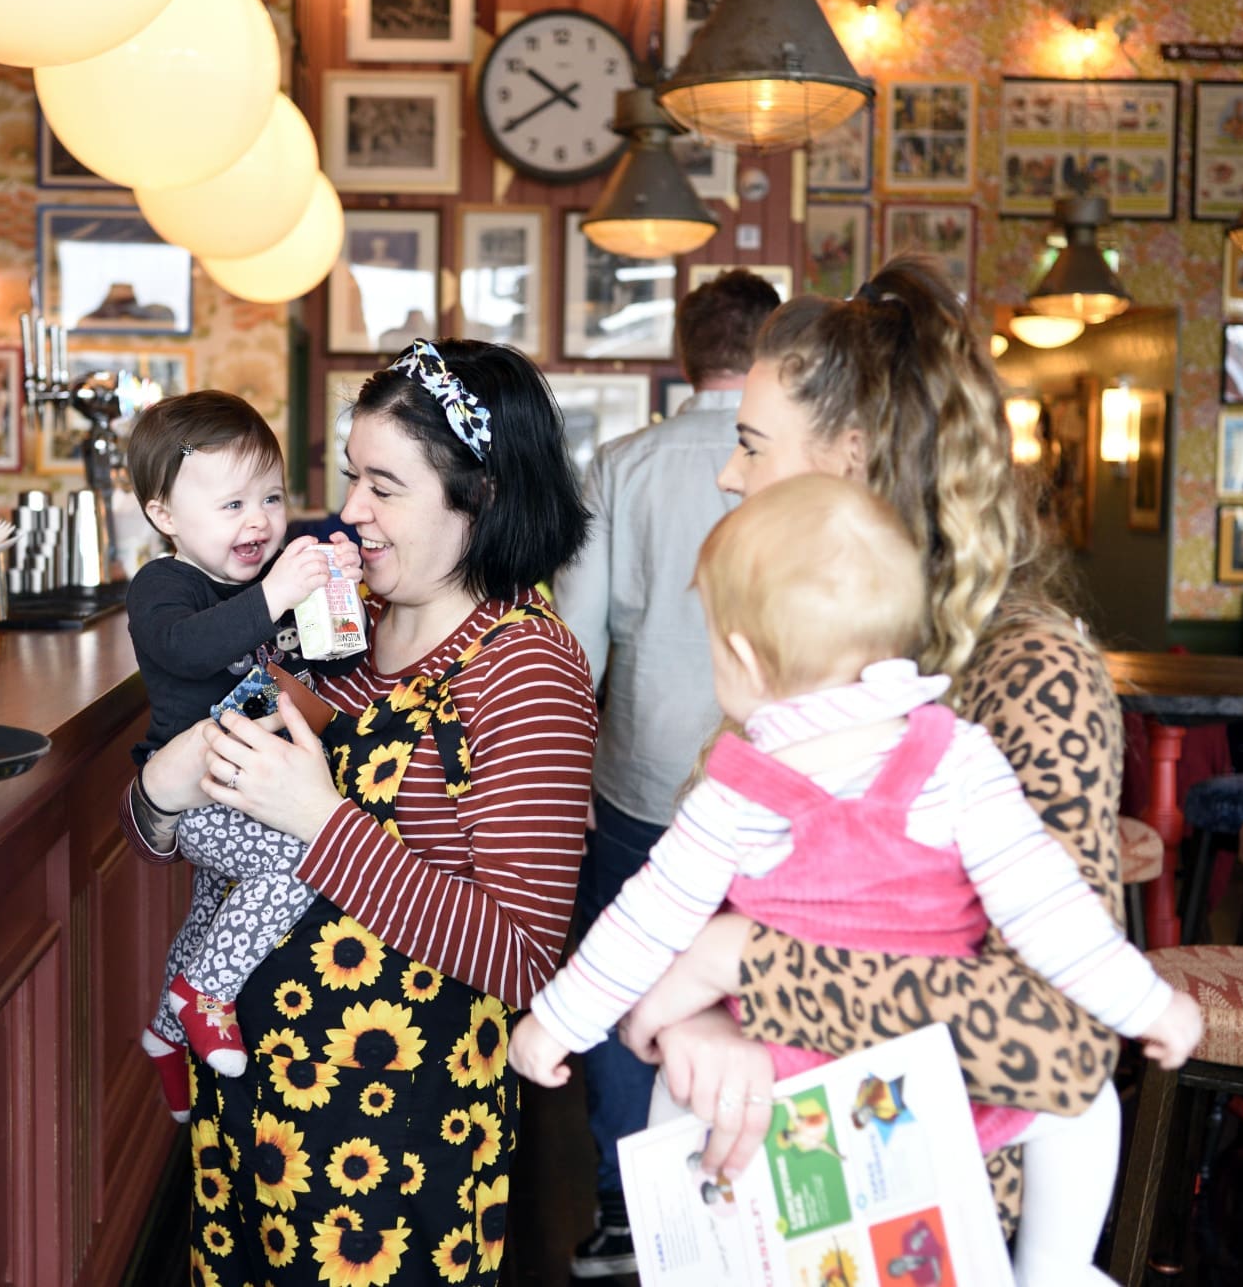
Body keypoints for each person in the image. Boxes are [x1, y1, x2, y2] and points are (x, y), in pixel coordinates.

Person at [512, 475, 1201, 1286]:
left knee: (684, 1102)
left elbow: (644, 924)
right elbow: (1054, 913)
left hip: (784, 1070)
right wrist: (1150, 1003)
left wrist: (554, 1023)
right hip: (940, 1064)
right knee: (1085, 1105)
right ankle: (1052, 1270)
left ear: (739, 658)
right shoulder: (956, 758)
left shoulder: (735, 792)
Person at [612, 258, 1137, 1252]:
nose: (728, 474)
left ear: (849, 458)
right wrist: (701, 1018)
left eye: (752, 445)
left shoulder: (1029, 672)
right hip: (773, 1173)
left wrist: (738, 966)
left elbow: (1056, 1037)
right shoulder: (803, 650)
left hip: (931, 1211)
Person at [127, 339, 596, 1285]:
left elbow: (522, 954)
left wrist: (323, 821)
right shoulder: (344, 624)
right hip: (252, 1106)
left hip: (388, 1149)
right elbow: (178, 833)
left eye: (385, 484)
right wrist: (156, 795)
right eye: (351, 476)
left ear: (484, 493)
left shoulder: (525, 669)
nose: (349, 511)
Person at [548, 266, 779, 1277]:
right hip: (769, 777)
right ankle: (738, 1210)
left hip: (640, 773)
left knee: (620, 972)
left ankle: (619, 1209)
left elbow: (573, 646)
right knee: (747, 986)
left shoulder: (620, 463)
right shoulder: (801, 463)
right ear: (769, 353)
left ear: (684, 352)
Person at [121, 391, 363, 1119]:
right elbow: (187, 648)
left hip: (258, 780)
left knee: (209, 912)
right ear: (164, 514)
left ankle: (166, 1033)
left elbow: (332, 664)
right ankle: (206, 994)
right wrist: (277, 594)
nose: (258, 520)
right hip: (205, 790)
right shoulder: (163, 587)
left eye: (270, 496)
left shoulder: (270, 585)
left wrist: (335, 590)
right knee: (301, 862)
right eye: (231, 505)